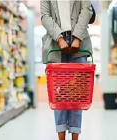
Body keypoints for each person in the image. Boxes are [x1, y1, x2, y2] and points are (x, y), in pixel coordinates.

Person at [40, 1, 93, 140]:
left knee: (77, 94)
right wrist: (59, 38)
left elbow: (86, 10)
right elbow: (45, 16)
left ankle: (75, 138)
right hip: (55, 42)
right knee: (59, 94)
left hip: (79, 43)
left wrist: (77, 37)